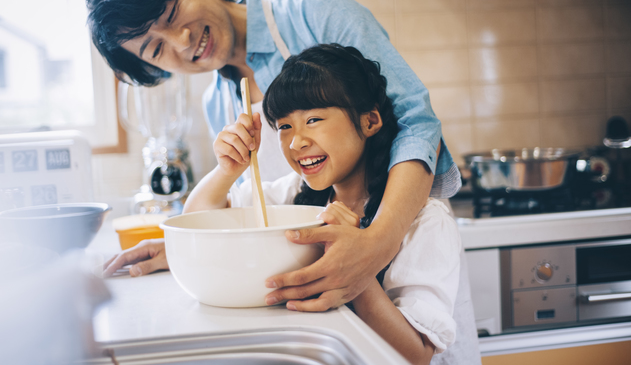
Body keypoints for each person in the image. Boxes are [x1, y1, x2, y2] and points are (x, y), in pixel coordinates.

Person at [87, 0, 462, 311]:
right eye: (156, 50)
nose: (182, 43)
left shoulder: (317, 13)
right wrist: (189, 248)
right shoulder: (218, 103)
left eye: (171, 14)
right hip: (318, 304)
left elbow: (416, 121)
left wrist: (376, 243)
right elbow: (252, 214)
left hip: (404, 266)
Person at [183, 44, 479, 364]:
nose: (296, 142)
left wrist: (354, 268)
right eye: (284, 126)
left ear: (370, 121)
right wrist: (226, 171)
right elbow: (198, 223)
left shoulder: (425, 220)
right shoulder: (296, 194)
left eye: (313, 119)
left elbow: (415, 354)